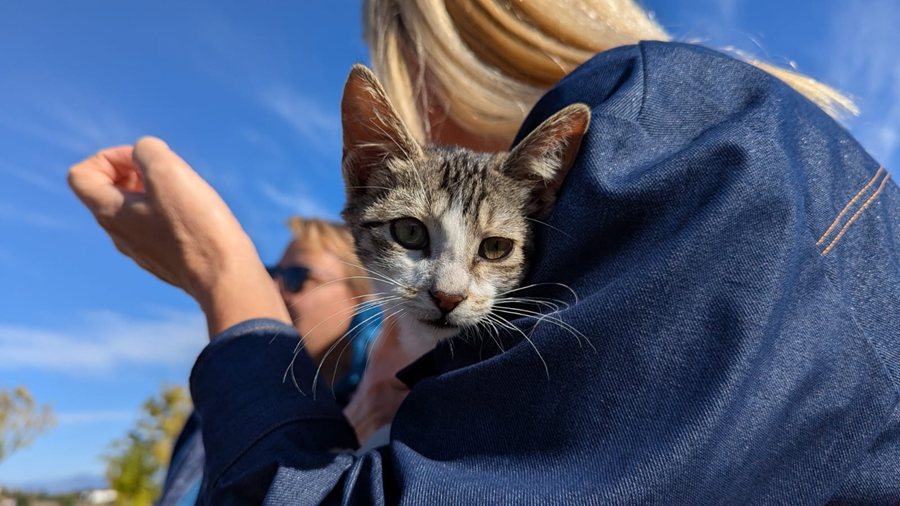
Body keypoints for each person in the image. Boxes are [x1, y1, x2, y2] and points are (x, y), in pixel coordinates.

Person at [68, 0, 899, 503]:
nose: (451, 289)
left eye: (496, 249)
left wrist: (227, 279)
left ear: (442, 64)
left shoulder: (697, 157)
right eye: (412, 237)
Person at [156, 218, 403, 505]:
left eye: (297, 277)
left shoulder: (401, 405)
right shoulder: (223, 403)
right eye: (270, 274)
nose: (272, 290)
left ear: (363, 297)